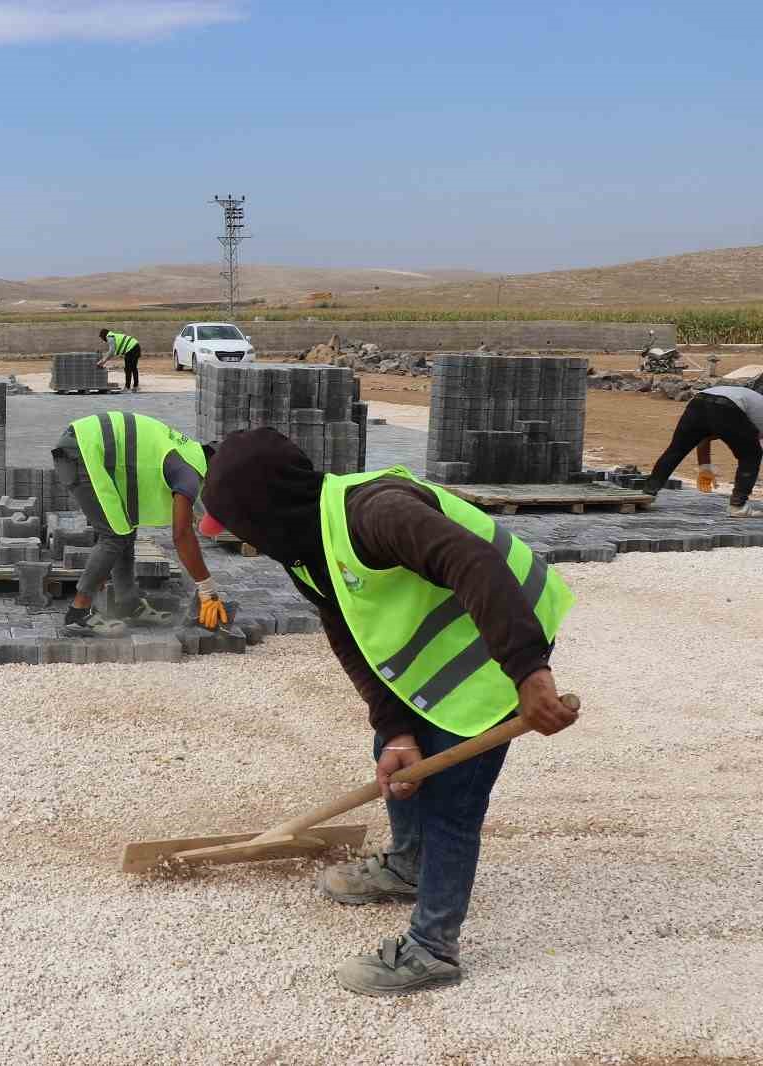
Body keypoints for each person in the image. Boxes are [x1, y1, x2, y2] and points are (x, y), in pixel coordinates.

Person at [198, 428, 578, 997]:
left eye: (239, 523)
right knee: (397, 756)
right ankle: (409, 865)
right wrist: (394, 726)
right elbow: (348, 634)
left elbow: (473, 562)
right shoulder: (305, 549)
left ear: (264, 510)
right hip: (455, 634)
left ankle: (433, 949)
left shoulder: (375, 513)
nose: (239, 537)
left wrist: (528, 672)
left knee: (451, 800)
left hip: (505, 627)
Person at [51, 412, 230, 637]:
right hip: (82, 451)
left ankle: (128, 604)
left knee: (125, 530)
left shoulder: (189, 453)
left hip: (87, 446)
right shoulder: (188, 472)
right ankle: (77, 614)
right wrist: (207, 589)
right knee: (114, 536)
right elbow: (181, 535)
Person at [643, 383, 763, 518]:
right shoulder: (755, 412)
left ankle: (647, 494)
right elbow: (749, 443)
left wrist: (705, 468)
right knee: (751, 455)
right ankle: (738, 506)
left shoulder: (753, 407)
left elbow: (704, 438)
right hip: (727, 406)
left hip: (699, 401)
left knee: (677, 449)